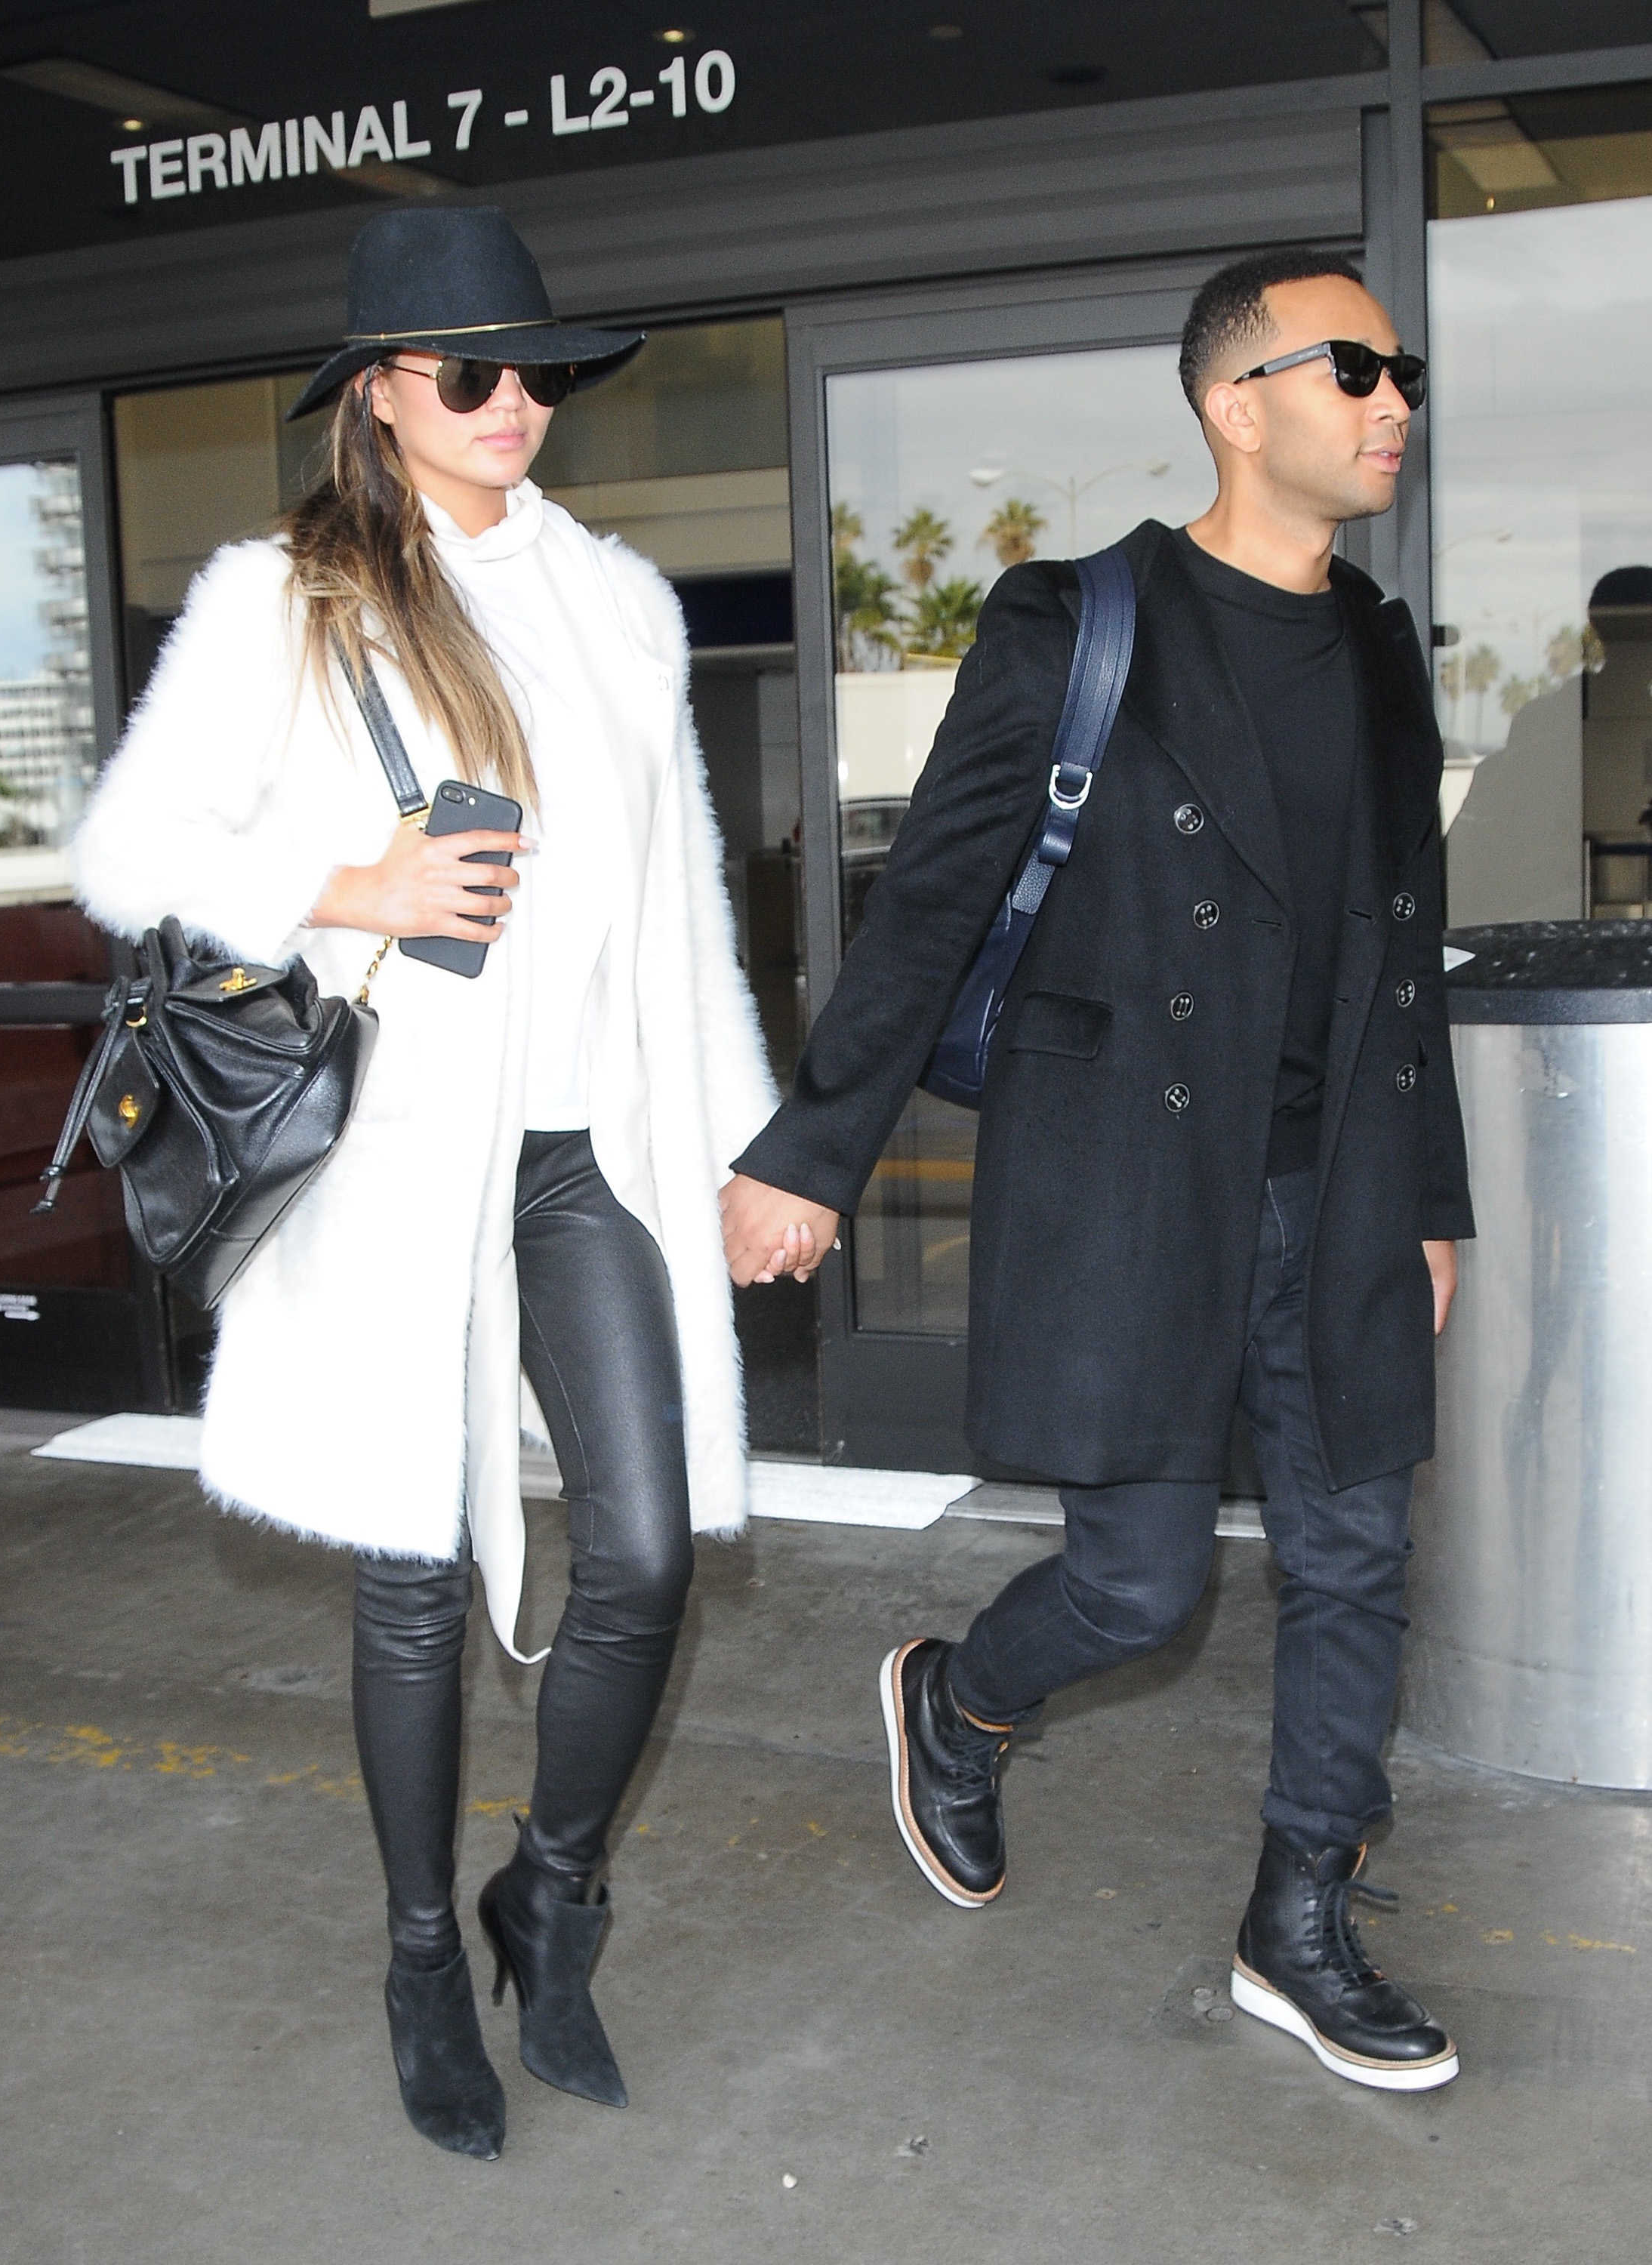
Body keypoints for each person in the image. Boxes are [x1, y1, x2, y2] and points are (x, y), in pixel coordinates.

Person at [722, 249, 1473, 2094]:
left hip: (1342, 1178)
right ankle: (958, 1702)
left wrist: (1435, 1188)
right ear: (1237, 401)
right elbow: (934, 906)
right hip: (1139, 1176)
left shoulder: (1378, 643)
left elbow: (1403, 928)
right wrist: (811, 1153)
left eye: (1408, 372)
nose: (1396, 401)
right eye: (1355, 367)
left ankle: (1298, 1915)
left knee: (1357, 1550)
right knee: (1144, 1589)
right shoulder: (1080, 622)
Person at [73, 206, 775, 2161]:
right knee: (408, 1578)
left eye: (534, 369)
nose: (513, 405)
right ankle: (412, 1959)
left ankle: (548, 1896)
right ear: (378, 394)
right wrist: (339, 885)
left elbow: (687, 908)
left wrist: (743, 1150)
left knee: (640, 1551)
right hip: (391, 1164)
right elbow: (133, 849)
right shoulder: (281, 597)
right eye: (470, 373)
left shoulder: (620, 606)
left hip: (582, 1152)